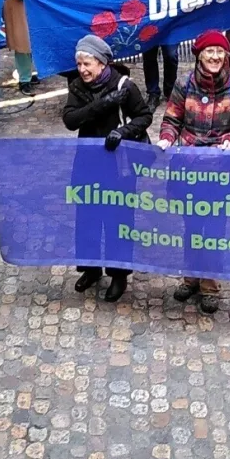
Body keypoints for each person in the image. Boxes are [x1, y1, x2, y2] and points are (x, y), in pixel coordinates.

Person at [156, 29, 230, 314]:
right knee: (191, 226)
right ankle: (191, 278)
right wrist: (167, 136)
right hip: (188, 169)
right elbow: (172, 118)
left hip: (221, 171)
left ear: (226, 56)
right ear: (199, 54)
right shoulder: (183, 85)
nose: (214, 57)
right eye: (209, 51)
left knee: (213, 229)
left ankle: (209, 285)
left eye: (219, 52)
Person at [60, 34, 151, 303]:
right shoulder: (77, 87)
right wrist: (104, 103)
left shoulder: (126, 86)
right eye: (79, 64)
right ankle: (90, 267)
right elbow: (70, 120)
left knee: (118, 221)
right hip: (88, 163)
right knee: (86, 218)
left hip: (118, 166)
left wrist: (123, 132)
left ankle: (118, 274)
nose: (82, 70)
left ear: (102, 63)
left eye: (87, 63)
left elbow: (144, 116)